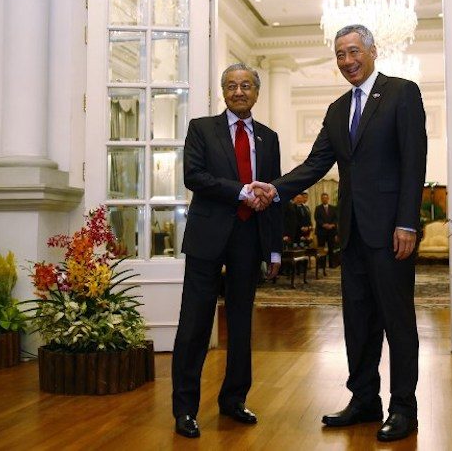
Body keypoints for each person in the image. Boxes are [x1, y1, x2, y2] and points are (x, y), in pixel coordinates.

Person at [250, 24, 427, 442]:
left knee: (397, 321)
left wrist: (407, 222)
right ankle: (365, 399)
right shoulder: (335, 109)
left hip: (391, 232)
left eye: (353, 52)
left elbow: (413, 162)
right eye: (340, 55)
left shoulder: (402, 93)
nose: (347, 61)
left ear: (372, 51)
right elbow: (314, 166)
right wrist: (275, 188)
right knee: (358, 322)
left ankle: (404, 408)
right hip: (352, 235)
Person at [171, 63, 282, 438]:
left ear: (256, 92)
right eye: (231, 86)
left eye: (246, 85)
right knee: (194, 324)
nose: (239, 91)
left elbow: (273, 196)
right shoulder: (202, 129)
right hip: (208, 237)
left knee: (240, 323)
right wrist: (240, 192)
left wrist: (274, 251)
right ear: (223, 91)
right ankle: (185, 409)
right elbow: (194, 176)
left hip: (248, 240)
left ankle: (234, 400)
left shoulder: (269, 137)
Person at [314, 192, 339, 265]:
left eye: (326, 198)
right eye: (323, 198)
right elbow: (317, 218)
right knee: (321, 248)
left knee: (331, 248)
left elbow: (336, 218)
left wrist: (332, 225)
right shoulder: (318, 208)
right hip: (321, 231)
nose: (324, 199)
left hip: (331, 231)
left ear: (328, 199)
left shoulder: (333, 208)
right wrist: (323, 225)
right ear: (321, 199)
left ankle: (332, 264)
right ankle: (322, 264)